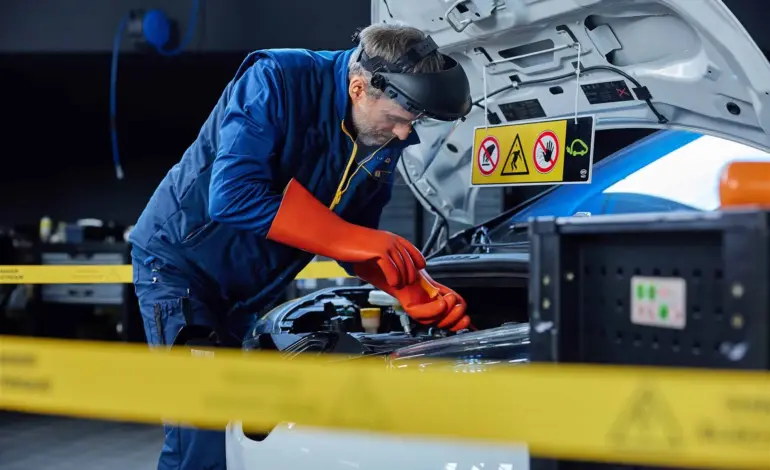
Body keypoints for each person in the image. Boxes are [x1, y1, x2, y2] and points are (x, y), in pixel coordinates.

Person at [128, 22, 472, 470]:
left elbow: (356, 233)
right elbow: (232, 195)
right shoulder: (275, 79)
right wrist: (357, 240)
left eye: (413, 123)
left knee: (225, 434)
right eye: (398, 120)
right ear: (358, 88)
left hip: (248, 291)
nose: (405, 135)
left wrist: (410, 285)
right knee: (205, 430)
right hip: (181, 269)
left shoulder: (381, 133)